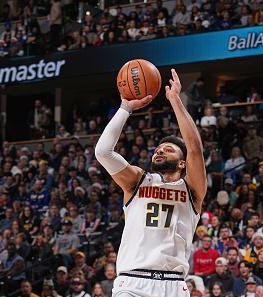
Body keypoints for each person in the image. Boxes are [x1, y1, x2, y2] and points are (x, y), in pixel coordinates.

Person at [95, 69, 207, 297]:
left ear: (183, 163)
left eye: (169, 149)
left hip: (174, 285)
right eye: (158, 148)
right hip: (133, 283)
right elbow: (103, 152)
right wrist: (125, 108)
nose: (160, 150)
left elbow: (194, 148)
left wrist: (175, 100)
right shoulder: (137, 181)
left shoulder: (192, 190)